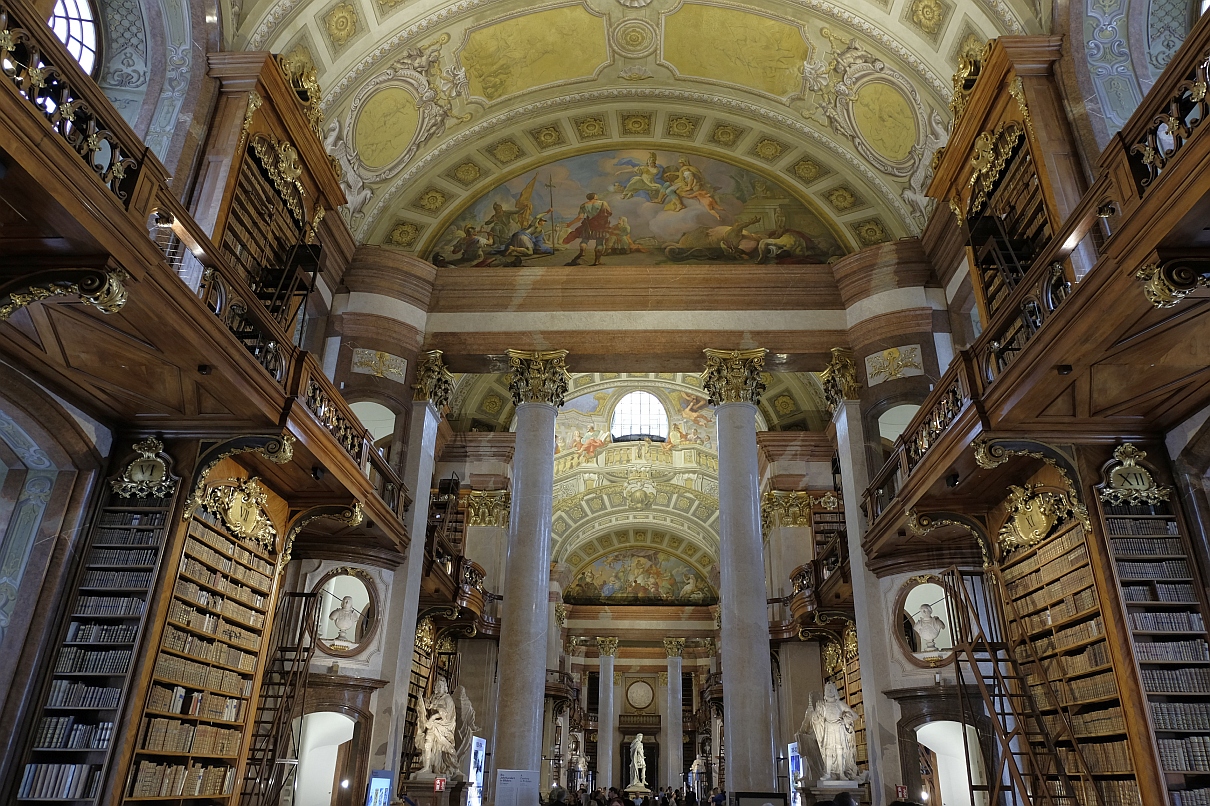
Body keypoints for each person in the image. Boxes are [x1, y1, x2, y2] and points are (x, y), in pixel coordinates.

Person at [563, 193, 613, 266]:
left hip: (589, 225)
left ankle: (583, 251)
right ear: (595, 196)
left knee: (584, 240)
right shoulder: (603, 203)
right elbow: (609, 212)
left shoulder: (583, 205)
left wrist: (570, 224)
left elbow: (580, 217)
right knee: (599, 242)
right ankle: (597, 261)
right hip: (600, 226)